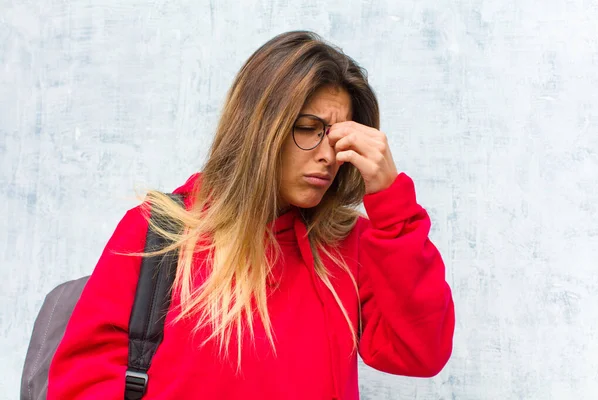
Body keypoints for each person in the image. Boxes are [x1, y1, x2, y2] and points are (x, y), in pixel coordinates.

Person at [47, 31, 455, 400]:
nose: (328, 155)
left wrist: (391, 202)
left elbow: (419, 353)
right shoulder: (162, 229)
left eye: (338, 136)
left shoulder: (352, 246)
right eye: (309, 128)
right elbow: (80, 385)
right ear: (260, 126)